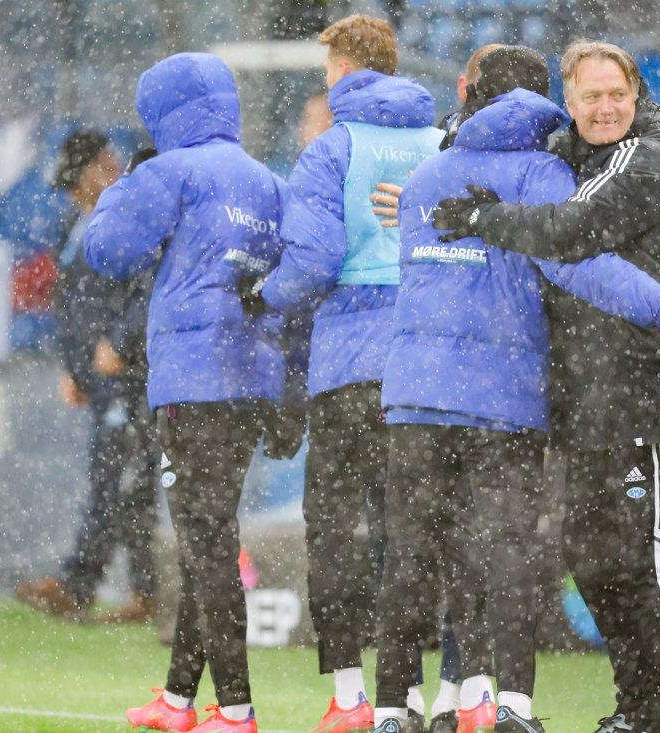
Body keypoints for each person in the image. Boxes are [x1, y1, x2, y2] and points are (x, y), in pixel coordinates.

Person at [371, 44, 660, 733]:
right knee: (546, 553)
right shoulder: (550, 164)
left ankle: (399, 708)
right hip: (541, 398)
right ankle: (534, 706)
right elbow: (573, 250)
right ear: (558, 103)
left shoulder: (632, 158)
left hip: (610, 396)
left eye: (614, 95)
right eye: (588, 97)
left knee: (419, 552)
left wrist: (469, 214)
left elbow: (565, 240)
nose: (603, 108)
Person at [249, 15, 457, 733]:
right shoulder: (442, 145)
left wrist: (262, 296)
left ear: (340, 69)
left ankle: (350, 697)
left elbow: (310, 261)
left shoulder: (331, 148)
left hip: (350, 365)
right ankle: (425, 696)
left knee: (335, 529)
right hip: (430, 363)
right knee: (418, 531)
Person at [84, 52, 296, 733]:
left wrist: (125, 182)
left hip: (193, 378)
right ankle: (178, 699)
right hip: (252, 376)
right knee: (212, 533)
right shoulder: (267, 180)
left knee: (206, 547)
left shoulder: (171, 170)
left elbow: (107, 249)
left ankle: (235, 709)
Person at [13, 130, 158, 626]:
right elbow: (69, 306)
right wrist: (73, 369)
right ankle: (114, 587)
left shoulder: (130, 224)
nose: (75, 192)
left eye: (83, 177)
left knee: (123, 481)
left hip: (130, 376)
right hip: (102, 379)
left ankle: (99, 586)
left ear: (104, 168)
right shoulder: (76, 226)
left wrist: (119, 344)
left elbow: (144, 292)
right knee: (116, 481)